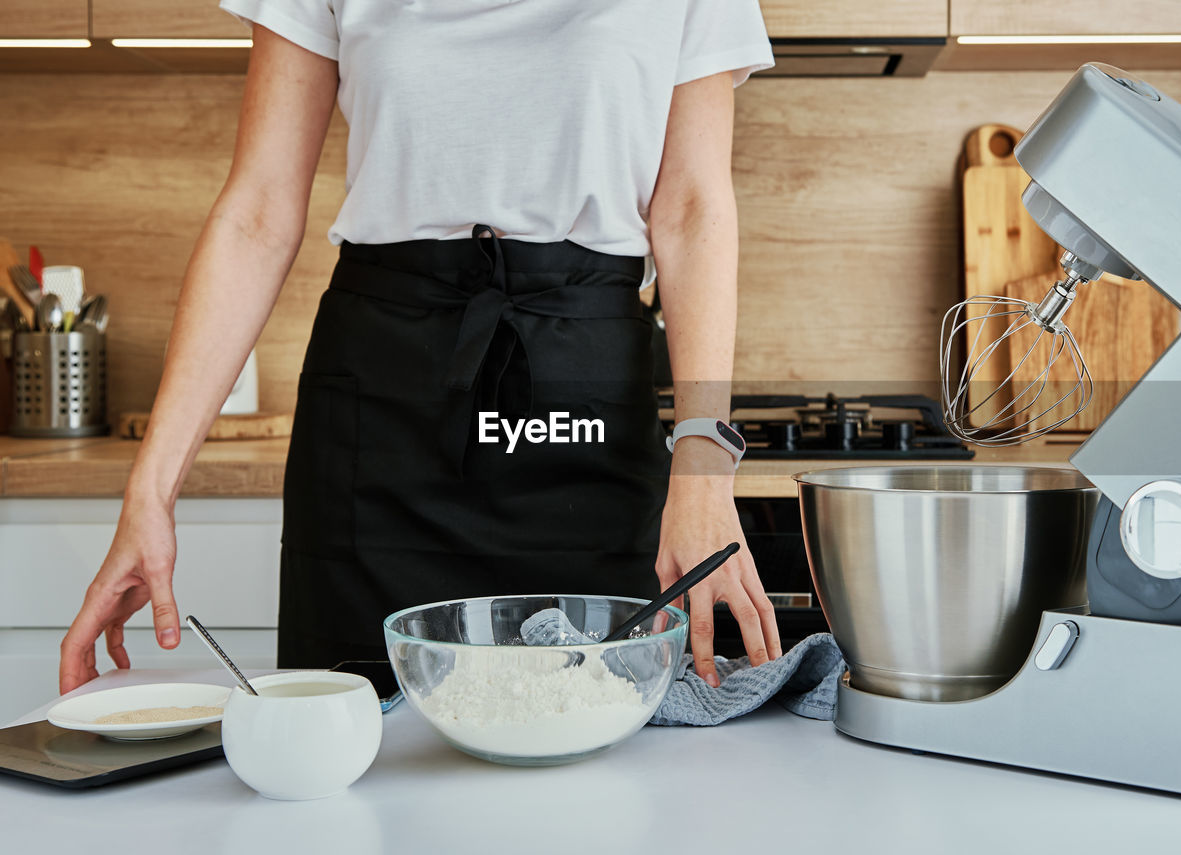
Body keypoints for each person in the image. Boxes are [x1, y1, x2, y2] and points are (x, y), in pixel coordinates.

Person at [58, 0, 781, 693]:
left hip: (584, 411)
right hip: (379, 415)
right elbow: (257, 211)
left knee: (595, 759)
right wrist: (149, 492)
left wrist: (705, 466)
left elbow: (691, 209)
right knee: (354, 751)